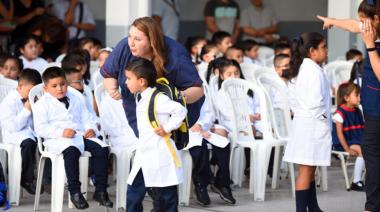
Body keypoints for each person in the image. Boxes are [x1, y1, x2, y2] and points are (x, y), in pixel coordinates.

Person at [100, 16, 204, 211]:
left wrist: (170, 103)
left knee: (162, 182)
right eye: (130, 36)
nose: (131, 42)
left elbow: (196, 92)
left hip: (163, 128)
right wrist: (112, 87)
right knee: (141, 181)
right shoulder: (125, 47)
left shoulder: (175, 57)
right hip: (141, 123)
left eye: (138, 39)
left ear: (152, 40)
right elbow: (108, 73)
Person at [318, 1, 380, 210]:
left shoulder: (374, 41)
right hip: (372, 113)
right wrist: (332, 21)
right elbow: (353, 25)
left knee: (375, 164)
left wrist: (370, 46)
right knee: (372, 163)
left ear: (377, 20)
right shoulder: (371, 29)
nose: (361, 24)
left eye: (365, 20)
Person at [33, 67, 112, 209]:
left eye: (62, 84)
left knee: (102, 149)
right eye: (54, 86)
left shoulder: (76, 98)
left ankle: (101, 190)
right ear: (46, 89)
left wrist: (91, 129)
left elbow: (87, 117)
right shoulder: (42, 104)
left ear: (67, 83)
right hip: (57, 139)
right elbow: (40, 128)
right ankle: (75, 192)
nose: (60, 88)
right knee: (71, 152)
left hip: (80, 134)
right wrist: (61, 132)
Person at [124, 58, 187, 212]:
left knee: (166, 194)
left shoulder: (158, 99)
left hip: (160, 153)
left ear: (141, 81)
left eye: (129, 79)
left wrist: (167, 127)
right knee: (134, 191)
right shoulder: (141, 97)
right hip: (144, 153)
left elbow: (180, 111)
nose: (126, 82)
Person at [283, 32, 330, 212]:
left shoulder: (306, 68)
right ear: (312, 51)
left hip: (305, 124)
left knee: (310, 169)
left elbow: (294, 101)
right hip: (312, 126)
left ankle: (314, 207)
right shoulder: (312, 72)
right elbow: (315, 104)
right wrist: (326, 119)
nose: (326, 50)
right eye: (323, 47)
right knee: (306, 170)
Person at [0, 68, 41, 195]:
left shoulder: (33, 99)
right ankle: (27, 179)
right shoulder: (8, 102)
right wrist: (27, 110)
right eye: (30, 91)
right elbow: (12, 127)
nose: (32, 95)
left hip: (30, 134)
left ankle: (47, 178)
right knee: (28, 143)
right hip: (13, 135)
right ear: (20, 86)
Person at [332, 82, 365, 191]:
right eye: (357, 95)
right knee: (362, 150)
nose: (360, 97)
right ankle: (356, 181)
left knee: (371, 148)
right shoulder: (340, 114)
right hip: (344, 143)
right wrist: (347, 149)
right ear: (347, 98)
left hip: (356, 140)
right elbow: (339, 133)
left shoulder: (357, 111)